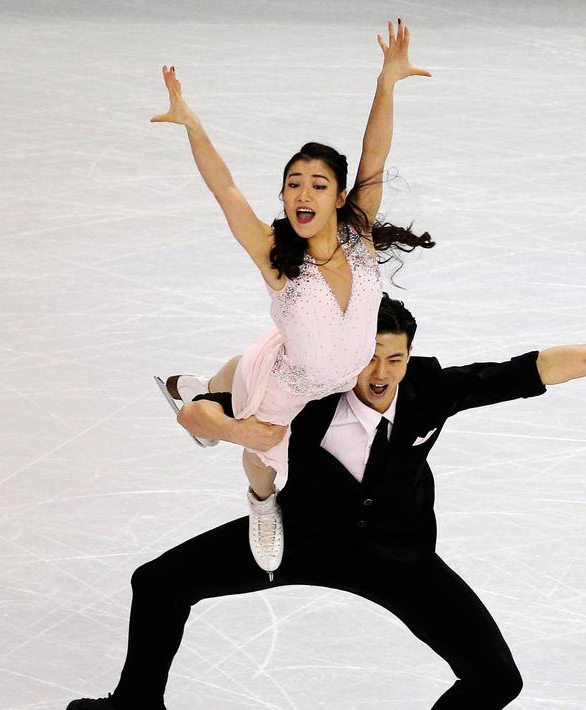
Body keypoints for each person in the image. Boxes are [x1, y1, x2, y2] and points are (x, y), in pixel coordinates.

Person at [68, 294, 586, 710]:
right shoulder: (310, 391)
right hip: (299, 537)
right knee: (156, 584)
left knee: (497, 680)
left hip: (397, 556)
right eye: (369, 357)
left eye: (394, 358)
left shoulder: (427, 390)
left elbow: (537, 367)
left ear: (409, 356)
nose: (380, 372)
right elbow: (203, 413)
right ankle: (134, 709)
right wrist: (234, 425)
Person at [150, 19, 432, 579]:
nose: (303, 193)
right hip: (293, 384)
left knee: (249, 364)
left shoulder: (358, 237)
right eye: (293, 183)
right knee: (262, 451)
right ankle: (260, 505)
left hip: (341, 379)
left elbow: (373, 153)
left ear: (339, 196)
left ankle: (203, 387)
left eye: (318, 184)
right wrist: (192, 125)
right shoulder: (277, 256)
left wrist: (387, 82)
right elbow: (225, 189)